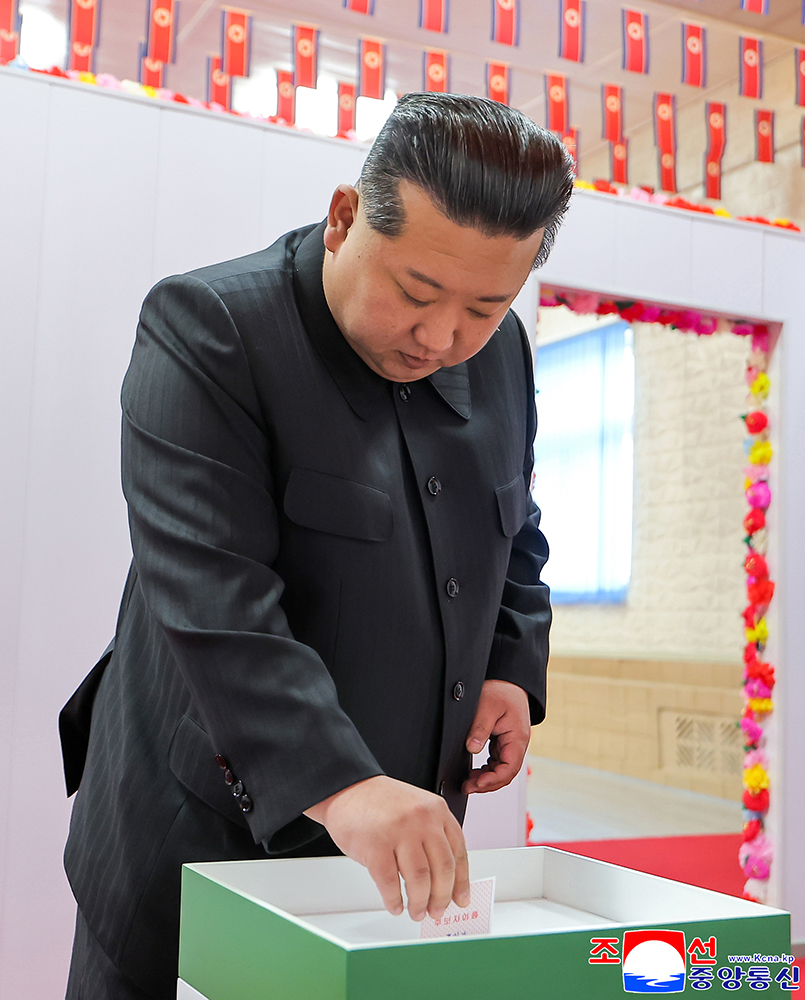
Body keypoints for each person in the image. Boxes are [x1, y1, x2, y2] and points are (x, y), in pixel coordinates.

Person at [60, 92, 574, 999]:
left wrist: (509, 664)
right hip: (199, 827)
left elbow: (513, 522)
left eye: (484, 308)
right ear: (344, 218)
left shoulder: (501, 356)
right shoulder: (209, 329)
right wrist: (344, 786)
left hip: (395, 842)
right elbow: (213, 596)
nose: (440, 338)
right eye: (416, 293)